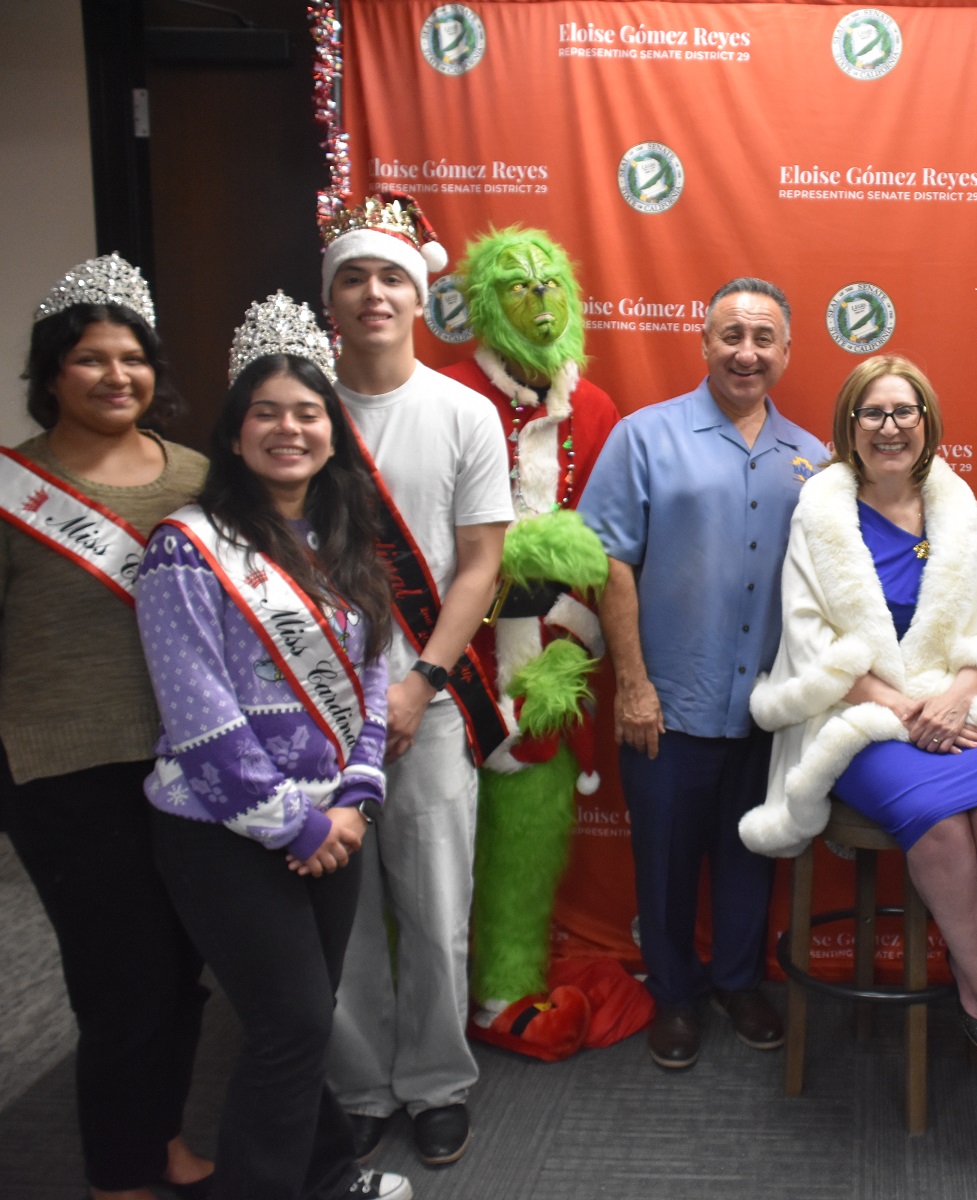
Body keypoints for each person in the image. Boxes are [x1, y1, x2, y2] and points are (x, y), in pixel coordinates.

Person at [139, 294, 411, 1200]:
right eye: (268, 412)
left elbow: (373, 676)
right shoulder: (187, 546)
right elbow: (198, 714)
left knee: (296, 1023)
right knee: (292, 1024)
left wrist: (354, 795)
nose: (289, 429)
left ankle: (328, 1175)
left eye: (308, 413)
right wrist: (294, 824)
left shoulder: (339, 541)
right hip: (226, 831)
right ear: (235, 429)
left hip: (333, 821)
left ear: (332, 432)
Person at [741, 356, 977, 1086]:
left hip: (955, 704)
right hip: (858, 713)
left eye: (904, 413)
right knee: (944, 829)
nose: (891, 428)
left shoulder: (957, 502)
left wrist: (958, 694)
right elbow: (807, 636)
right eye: (874, 414)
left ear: (926, 423)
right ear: (850, 428)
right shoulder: (820, 507)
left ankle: (966, 964)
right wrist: (897, 707)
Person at [0, 255, 213, 1200]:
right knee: (118, 984)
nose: (117, 376)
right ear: (51, 373)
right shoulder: (12, 491)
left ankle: (161, 1139)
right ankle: (119, 1178)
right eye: (91, 359)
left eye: (133, 358)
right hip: (65, 772)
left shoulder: (203, 477)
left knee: (181, 972)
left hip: (192, 764)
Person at [579, 277, 827, 1069]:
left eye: (763, 338)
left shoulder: (814, 461)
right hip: (668, 703)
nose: (746, 352)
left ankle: (740, 981)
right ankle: (676, 996)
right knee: (664, 858)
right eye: (731, 335)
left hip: (766, 706)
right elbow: (610, 561)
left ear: (786, 352)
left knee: (752, 854)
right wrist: (635, 684)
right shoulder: (644, 436)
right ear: (705, 342)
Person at [319, 192, 513, 1167]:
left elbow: (480, 562)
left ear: (421, 291)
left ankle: (437, 1081)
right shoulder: (292, 402)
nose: (373, 293)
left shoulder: (464, 411)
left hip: (425, 706)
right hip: (310, 713)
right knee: (338, 912)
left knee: (437, 912)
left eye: (391, 275)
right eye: (353, 277)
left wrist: (421, 682)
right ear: (331, 299)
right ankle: (357, 1085)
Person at [438, 227, 645, 1063]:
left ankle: (503, 990)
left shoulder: (594, 409)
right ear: (486, 303)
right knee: (432, 846)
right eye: (519, 288)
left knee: (527, 842)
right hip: (447, 661)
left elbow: (606, 553)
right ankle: (418, 998)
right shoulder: (444, 396)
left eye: (552, 284)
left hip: (549, 663)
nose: (541, 303)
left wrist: (568, 657)